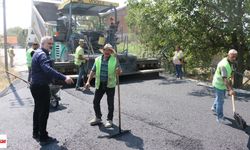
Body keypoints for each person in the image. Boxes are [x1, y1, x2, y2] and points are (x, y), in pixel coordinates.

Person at [30, 36, 74, 145]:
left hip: (35, 85)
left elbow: (33, 69)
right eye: (49, 43)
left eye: (52, 44)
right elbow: (47, 69)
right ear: (43, 44)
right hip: (41, 87)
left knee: (37, 110)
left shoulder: (37, 53)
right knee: (44, 112)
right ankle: (43, 138)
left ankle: (36, 133)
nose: (51, 45)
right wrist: (64, 77)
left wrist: (30, 80)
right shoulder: (42, 54)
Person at [85, 43, 122, 128]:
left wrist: (118, 71)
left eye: (109, 51)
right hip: (100, 84)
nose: (107, 52)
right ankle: (98, 117)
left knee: (110, 103)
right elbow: (93, 71)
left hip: (110, 84)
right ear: (103, 51)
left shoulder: (115, 59)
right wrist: (88, 81)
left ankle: (109, 120)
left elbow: (120, 72)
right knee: (95, 101)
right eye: (106, 50)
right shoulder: (97, 59)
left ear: (111, 52)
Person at [211, 49, 237, 123]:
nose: (234, 58)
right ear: (228, 55)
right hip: (219, 84)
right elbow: (225, 79)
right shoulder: (224, 65)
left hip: (222, 84)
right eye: (232, 57)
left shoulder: (231, 62)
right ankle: (220, 118)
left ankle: (214, 107)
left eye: (235, 57)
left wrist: (232, 82)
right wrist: (230, 90)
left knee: (219, 97)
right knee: (220, 101)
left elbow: (231, 73)